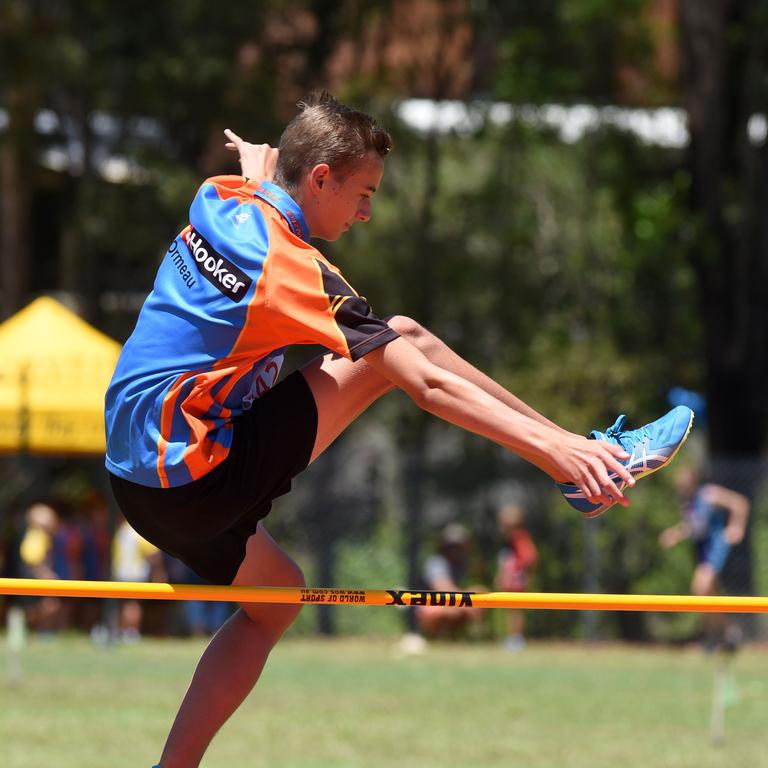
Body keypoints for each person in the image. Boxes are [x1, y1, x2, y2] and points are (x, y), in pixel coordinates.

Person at [103, 91, 693, 767]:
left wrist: (263, 162)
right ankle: (582, 460)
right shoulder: (293, 270)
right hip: (197, 478)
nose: (366, 212)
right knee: (404, 344)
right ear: (319, 178)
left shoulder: (222, 197)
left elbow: (270, 173)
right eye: (363, 193)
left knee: (277, 601)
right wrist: (554, 447)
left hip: (134, 483)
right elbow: (427, 384)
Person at [659, 464, 750, 649]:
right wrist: (675, 535)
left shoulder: (709, 494)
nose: (680, 488)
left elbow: (740, 503)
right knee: (709, 595)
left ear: (692, 481)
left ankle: (717, 635)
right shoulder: (687, 503)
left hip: (716, 547)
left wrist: (736, 527)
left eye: (683, 484)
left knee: (700, 587)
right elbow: (692, 527)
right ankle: (725, 633)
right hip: (701, 550)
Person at [412, 523, 486, 641]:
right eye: (451, 546)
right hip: (433, 604)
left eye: (459, 546)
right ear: (444, 546)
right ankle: (433, 637)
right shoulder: (436, 562)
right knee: (448, 610)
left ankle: (460, 636)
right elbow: (443, 588)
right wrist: (466, 603)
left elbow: (479, 575)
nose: (455, 550)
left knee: (481, 594)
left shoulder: (463, 564)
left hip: (453, 603)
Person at [495, 504, 538, 652]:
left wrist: (516, 571)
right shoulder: (511, 538)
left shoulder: (518, 537)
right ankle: (512, 637)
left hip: (515, 577)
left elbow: (529, 556)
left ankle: (516, 638)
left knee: (515, 609)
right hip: (513, 576)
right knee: (511, 609)